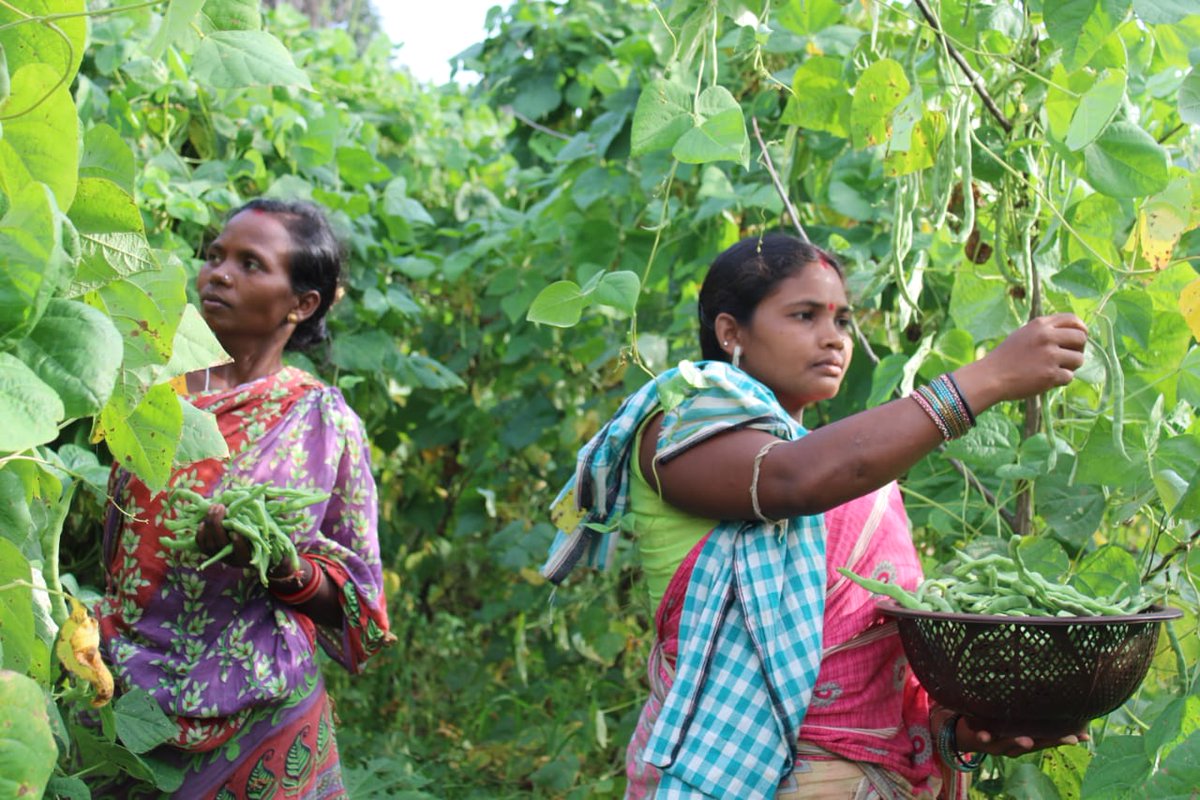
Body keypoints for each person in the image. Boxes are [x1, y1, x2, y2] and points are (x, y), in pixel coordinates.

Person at [543, 234, 1089, 799]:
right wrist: (986, 378)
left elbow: (876, 668)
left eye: (842, 320)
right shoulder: (679, 427)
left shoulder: (849, 474)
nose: (834, 338)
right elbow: (790, 479)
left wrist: (959, 729)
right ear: (731, 332)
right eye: (804, 316)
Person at [94, 199, 392, 799]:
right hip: (121, 699)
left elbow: (359, 605)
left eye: (250, 263)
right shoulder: (147, 390)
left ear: (301, 304)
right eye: (215, 256)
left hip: (263, 719)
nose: (218, 274)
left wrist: (278, 565)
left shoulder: (322, 421)